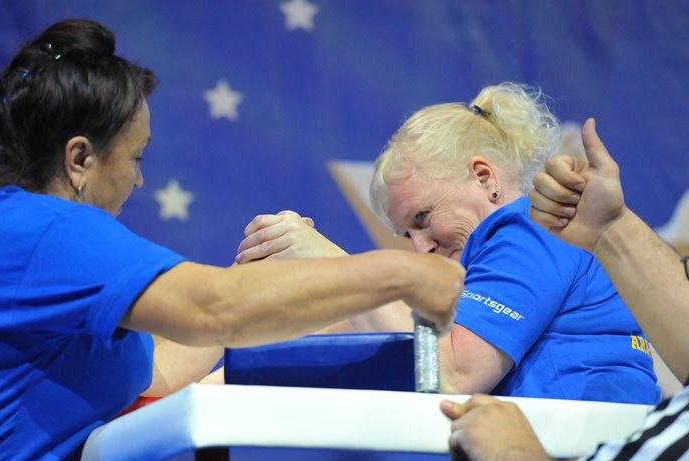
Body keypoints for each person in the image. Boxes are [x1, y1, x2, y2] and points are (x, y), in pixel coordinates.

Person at [0, 19, 466, 461]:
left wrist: (250, 275)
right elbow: (213, 309)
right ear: (80, 159)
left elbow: (158, 368)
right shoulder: (46, 231)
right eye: (136, 157)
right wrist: (397, 275)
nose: (139, 180)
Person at [236, 82, 660, 404]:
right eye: (407, 235)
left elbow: (451, 376)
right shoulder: (473, 279)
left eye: (423, 218)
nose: (421, 249)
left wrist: (331, 264)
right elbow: (346, 343)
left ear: (484, 178)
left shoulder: (533, 229)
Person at [441, 118, 689, 461]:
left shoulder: (519, 232)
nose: (419, 245)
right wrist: (608, 228)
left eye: (422, 217)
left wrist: (510, 451)